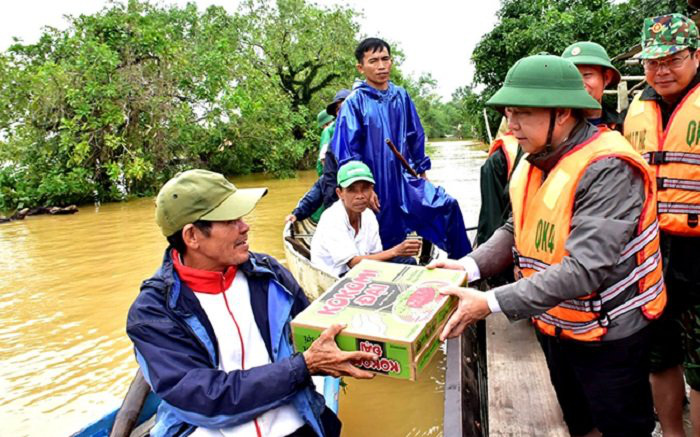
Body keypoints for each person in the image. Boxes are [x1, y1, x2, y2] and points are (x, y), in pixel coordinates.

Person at [431, 54, 666, 437]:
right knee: (579, 421)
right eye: (509, 112)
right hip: (558, 326)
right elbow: (514, 227)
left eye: (522, 113)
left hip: (609, 335)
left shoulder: (608, 166)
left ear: (564, 113)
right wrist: (467, 266)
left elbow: (586, 268)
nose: (512, 124)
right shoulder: (533, 157)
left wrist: (489, 302)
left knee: (623, 427)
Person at [126, 169, 378, 437]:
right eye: (231, 220)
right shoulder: (152, 312)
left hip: (293, 423)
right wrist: (303, 367)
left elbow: (310, 333)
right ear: (192, 236)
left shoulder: (269, 275)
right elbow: (206, 400)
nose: (245, 227)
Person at [320, 37, 472, 259]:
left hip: (403, 178)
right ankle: (393, 271)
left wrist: (422, 173)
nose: (381, 66)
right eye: (373, 61)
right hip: (374, 183)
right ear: (361, 67)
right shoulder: (354, 103)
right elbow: (348, 153)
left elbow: (415, 135)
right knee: (385, 232)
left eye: (385, 59)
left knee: (446, 205)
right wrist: (364, 189)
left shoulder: (401, 95)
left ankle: (464, 265)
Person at [623, 13, 700, 437]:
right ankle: (672, 433)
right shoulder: (639, 108)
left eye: (673, 59)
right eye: (653, 62)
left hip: (698, 253)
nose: (661, 70)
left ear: (696, 56)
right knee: (660, 355)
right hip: (650, 253)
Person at [311, 161, 420, 277]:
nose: (360, 196)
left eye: (365, 188)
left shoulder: (368, 215)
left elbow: (375, 254)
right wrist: (395, 251)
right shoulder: (332, 218)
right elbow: (353, 263)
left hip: (362, 269)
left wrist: (398, 254)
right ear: (340, 193)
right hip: (337, 273)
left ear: (372, 190)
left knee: (409, 263)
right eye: (351, 190)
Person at [286, 89, 351, 225]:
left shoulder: (371, 141)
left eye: (347, 107)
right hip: (338, 217)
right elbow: (325, 182)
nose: (342, 113)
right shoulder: (333, 147)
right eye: (339, 110)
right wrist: (298, 213)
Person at [561, 41, 623, 130]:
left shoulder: (621, 125)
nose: (580, 84)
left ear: (606, 78)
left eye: (587, 75)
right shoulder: (553, 128)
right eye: (572, 77)